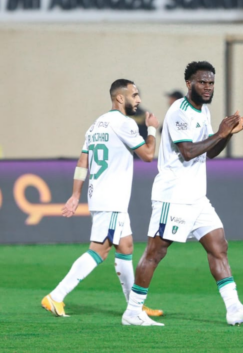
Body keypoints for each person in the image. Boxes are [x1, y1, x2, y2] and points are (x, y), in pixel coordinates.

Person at [121, 61, 243, 327]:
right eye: (202, 82)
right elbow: (187, 151)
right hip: (173, 195)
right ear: (189, 84)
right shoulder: (179, 111)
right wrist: (221, 133)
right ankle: (133, 311)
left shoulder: (204, 110)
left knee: (218, 246)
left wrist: (228, 135)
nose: (208, 87)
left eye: (211, 82)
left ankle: (234, 308)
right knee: (155, 253)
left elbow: (209, 151)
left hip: (197, 197)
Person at [42, 79, 163, 318]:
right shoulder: (124, 123)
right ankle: (56, 296)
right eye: (134, 94)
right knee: (99, 251)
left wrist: (76, 194)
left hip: (102, 196)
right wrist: (151, 129)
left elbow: (82, 162)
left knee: (125, 246)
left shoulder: (95, 125)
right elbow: (148, 155)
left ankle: (134, 306)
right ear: (120, 98)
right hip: (112, 199)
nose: (138, 99)